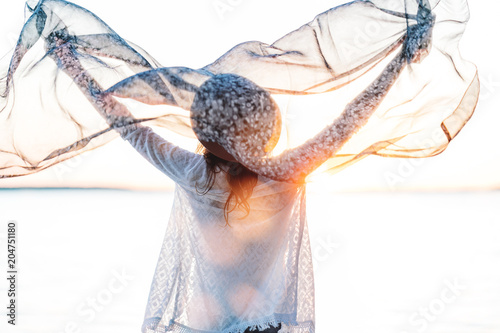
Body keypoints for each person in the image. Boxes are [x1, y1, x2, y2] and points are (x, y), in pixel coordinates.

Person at [0, 0, 478, 332]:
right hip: (267, 327)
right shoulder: (286, 174)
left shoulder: (192, 174)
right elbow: (350, 119)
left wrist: (68, 60)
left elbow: (121, 119)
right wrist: (396, 63)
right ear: (264, 129)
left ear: (202, 129)